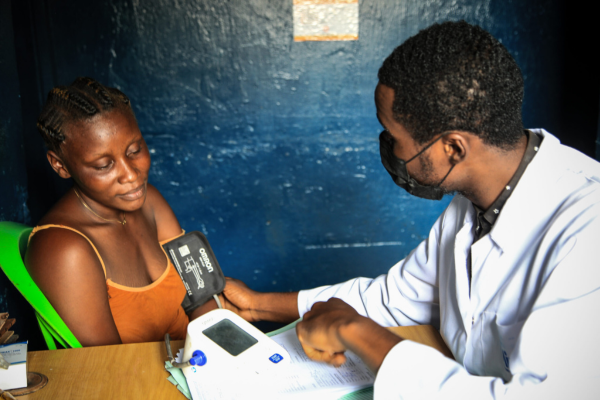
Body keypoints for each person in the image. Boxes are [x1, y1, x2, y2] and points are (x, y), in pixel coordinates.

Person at [222, 21, 600, 398]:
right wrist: (258, 305)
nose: (389, 148)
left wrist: (354, 331)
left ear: (452, 148)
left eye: (394, 137)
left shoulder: (587, 229)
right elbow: (396, 297)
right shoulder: (474, 204)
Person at [25, 77, 217, 346]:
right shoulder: (65, 249)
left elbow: (201, 296)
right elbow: (112, 367)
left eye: (134, 150)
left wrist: (222, 351)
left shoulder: (151, 203)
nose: (131, 175)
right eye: (104, 165)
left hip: (199, 368)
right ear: (60, 166)